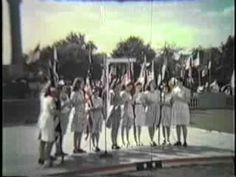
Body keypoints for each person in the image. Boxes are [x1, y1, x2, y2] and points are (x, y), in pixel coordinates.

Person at [38, 86, 58, 167]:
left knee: (42, 139)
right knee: (50, 140)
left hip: (42, 119)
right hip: (48, 120)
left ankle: (41, 157)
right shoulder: (51, 99)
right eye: (54, 92)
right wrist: (59, 112)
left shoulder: (44, 98)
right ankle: (47, 159)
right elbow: (52, 111)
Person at [171, 78, 191, 147]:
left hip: (183, 107)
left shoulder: (186, 90)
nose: (177, 83)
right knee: (177, 124)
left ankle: (185, 141)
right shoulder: (174, 90)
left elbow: (188, 100)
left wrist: (180, 98)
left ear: (181, 82)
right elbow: (173, 99)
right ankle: (178, 140)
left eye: (178, 81)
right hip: (176, 107)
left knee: (183, 124)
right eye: (176, 82)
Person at [70, 77, 87, 153]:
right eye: (81, 84)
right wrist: (80, 102)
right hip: (77, 112)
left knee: (80, 130)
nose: (83, 85)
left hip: (82, 112)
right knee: (76, 131)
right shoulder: (74, 93)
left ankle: (79, 146)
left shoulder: (81, 92)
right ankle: (75, 147)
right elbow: (72, 103)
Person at [55, 85, 72, 157]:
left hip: (66, 116)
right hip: (60, 117)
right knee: (59, 134)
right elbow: (60, 108)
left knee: (62, 134)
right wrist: (65, 104)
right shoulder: (58, 98)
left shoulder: (65, 96)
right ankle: (58, 150)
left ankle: (60, 149)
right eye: (62, 89)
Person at [106, 79, 123, 149]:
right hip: (113, 111)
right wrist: (116, 103)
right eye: (119, 85)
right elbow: (111, 102)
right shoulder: (112, 92)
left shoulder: (119, 92)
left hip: (119, 110)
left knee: (117, 127)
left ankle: (116, 142)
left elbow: (121, 101)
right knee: (114, 127)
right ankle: (113, 143)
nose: (120, 86)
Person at [144, 80, 161, 146]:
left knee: (154, 124)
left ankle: (153, 138)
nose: (153, 84)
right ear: (149, 84)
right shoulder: (146, 93)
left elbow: (159, 100)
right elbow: (144, 102)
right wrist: (148, 102)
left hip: (156, 108)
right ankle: (151, 139)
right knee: (150, 124)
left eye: (154, 83)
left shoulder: (158, 92)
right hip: (149, 108)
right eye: (152, 83)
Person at [88, 87, 104, 152]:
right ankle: (93, 145)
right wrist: (93, 108)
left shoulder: (100, 99)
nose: (96, 93)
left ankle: (97, 145)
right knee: (93, 131)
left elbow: (102, 107)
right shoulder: (90, 99)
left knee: (98, 131)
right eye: (95, 92)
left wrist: (100, 108)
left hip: (99, 115)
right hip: (93, 116)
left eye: (97, 92)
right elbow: (89, 108)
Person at [120, 82, 134, 147]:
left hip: (129, 110)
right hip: (124, 110)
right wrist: (127, 100)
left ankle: (127, 140)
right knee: (123, 126)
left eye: (131, 87)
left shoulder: (129, 93)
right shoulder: (123, 93)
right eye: (129, 87)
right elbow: (122, 101)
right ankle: (122, 141)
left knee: (128, 127)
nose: (130, 88)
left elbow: (131, 101)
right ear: (126, 86)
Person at [133, 81, 146, 146]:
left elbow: (144, 103)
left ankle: (139, 139)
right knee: (136, 125)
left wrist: (143, 101)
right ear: (136, 87)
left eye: (140, 87)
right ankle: (136, 141)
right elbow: (133, 102)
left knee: (140, 126)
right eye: (138, 87)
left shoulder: (142, 94)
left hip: (141, 108)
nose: (139, 88)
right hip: (136, 108)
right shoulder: (134, 94)